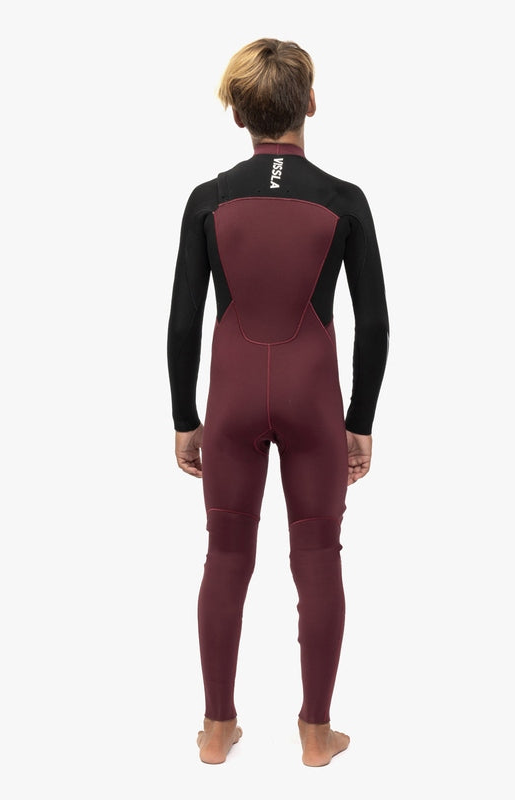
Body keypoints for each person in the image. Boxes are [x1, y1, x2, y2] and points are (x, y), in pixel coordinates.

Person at [166, 38, 390, 767]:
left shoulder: (209, 200)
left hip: (230, 400)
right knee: (318, 556)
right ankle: (316, 736)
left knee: (225, 555)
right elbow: (374, 323)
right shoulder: (343, 201)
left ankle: (216, 730)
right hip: (312, 397)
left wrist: (185, 418)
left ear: (239, 114)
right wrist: (359, 421)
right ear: (311, 104)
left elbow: (183, 322)